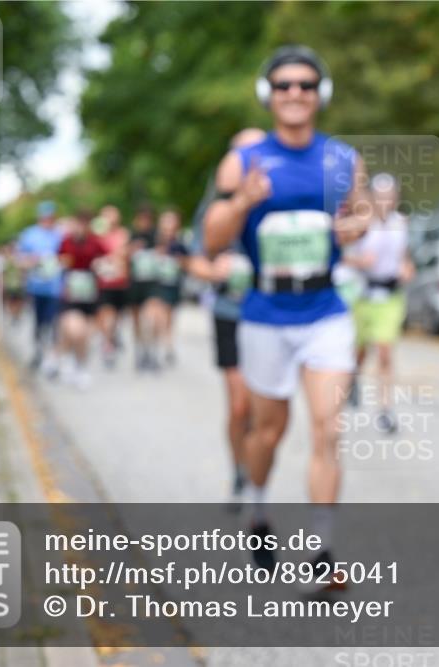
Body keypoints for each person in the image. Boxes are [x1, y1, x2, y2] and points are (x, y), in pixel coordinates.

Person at [204, 45, 371, 585]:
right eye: (283, 86)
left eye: (304, 84)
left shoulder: (343, 159)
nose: (294, 93)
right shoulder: (244, 161)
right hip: (264, 313)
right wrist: (241, 204)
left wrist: (356, 227)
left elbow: (360, 218)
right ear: (268, 95)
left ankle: (321, 552)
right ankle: (257, 506)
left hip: (325, 309)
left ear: (319, 93)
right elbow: (210, 240)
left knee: (328, 426)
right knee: (267, 432)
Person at [190, 127, 268, 509]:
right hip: (230, 313)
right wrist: (213, 272)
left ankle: (257, 478)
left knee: (263, 409)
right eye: (243, 152)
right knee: (240, 406)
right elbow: (195, 258)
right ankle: (239, 470)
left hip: (272, 315)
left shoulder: (279, 200)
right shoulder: (215, 206)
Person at [344, 173, 414, 434]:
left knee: (384, 351)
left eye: (390, 196)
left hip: (390, 296)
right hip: (362, 295)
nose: (385, 201)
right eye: (380, 196)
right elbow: (339, 256)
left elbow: (405, 256)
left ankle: (385, 410)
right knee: (360, 351)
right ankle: (352, 377)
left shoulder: (401, 222)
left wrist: (407, 267)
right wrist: (360, 262)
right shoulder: (362, 224)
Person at [56, 209, 107, 389]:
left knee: (84, 334)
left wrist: (101, 266)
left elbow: (107, 260)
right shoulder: (66, 242)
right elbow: (57, 261)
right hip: (71, 295)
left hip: (90, 295)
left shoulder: (95, 243)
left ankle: (80, 366)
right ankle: (66, 358)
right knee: (74, 329)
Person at [16, 201, 63, 373]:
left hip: (55, 287)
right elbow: (20, 259)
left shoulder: (60, 235)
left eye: (50, 217)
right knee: (38, 323)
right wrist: (31, 261)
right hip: (36, 287)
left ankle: (53, 357)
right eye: (45, 217)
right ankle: (38, 352)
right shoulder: (29, 235)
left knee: (53, 324)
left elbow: (67, 257)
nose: (47, 220)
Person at [138, 209, 189, 370]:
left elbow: (188, 264)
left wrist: (179, 262)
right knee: (152, 317)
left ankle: (160, 348)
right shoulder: (151, 240)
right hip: (153, 285)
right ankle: (150, 349)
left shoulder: (179, 245)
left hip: (171, 286)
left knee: (166, 320)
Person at [95, 205, 130, 369]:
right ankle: (107, 344)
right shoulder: (98, 235)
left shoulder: (123, 234)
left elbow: (126, 254)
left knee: (116, 316)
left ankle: (111, 338)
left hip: (120, 282)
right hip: (103, 283)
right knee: (106, 314)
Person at [127, 205, 159, 370]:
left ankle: (151, 351)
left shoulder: (156, 235)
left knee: (151, 318)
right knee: (137, 320)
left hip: (151, 284)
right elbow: (124, 255)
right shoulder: (132, 235)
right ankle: (140, 351)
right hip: (135, 284)